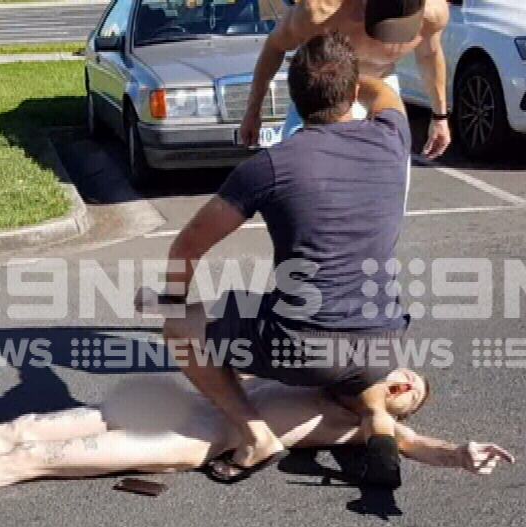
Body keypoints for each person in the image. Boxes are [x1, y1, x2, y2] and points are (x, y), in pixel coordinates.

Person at [157, 31, 414, 484]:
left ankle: (254, 435)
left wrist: (174, 301)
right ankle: (376, 419)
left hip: (305, 348)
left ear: (293, 99)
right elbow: (385, 91)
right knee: (350, 347)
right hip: (384, 343)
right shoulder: (392, 138)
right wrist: (358, 72)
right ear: (352, 93)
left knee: (180, 326)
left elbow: (187, 247)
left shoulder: (270, 165)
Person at [0, 368, 513, 491]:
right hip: (169, 405)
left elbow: (416, 447)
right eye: (405, 373)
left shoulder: (368, 417)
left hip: (179, 443)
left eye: (410, 391)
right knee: (25, 424)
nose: (400, 383)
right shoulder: (326, 370)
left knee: (37, 459)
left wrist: (460, 452)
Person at [240, 0, 452, 158]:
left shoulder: (433, 14)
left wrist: (440, 117)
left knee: (388, 179)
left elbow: (429, 55)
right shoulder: (318, 13)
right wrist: (253, 111)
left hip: (381, 90)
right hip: (320, 95)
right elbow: (275, 47)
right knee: (305, 172)